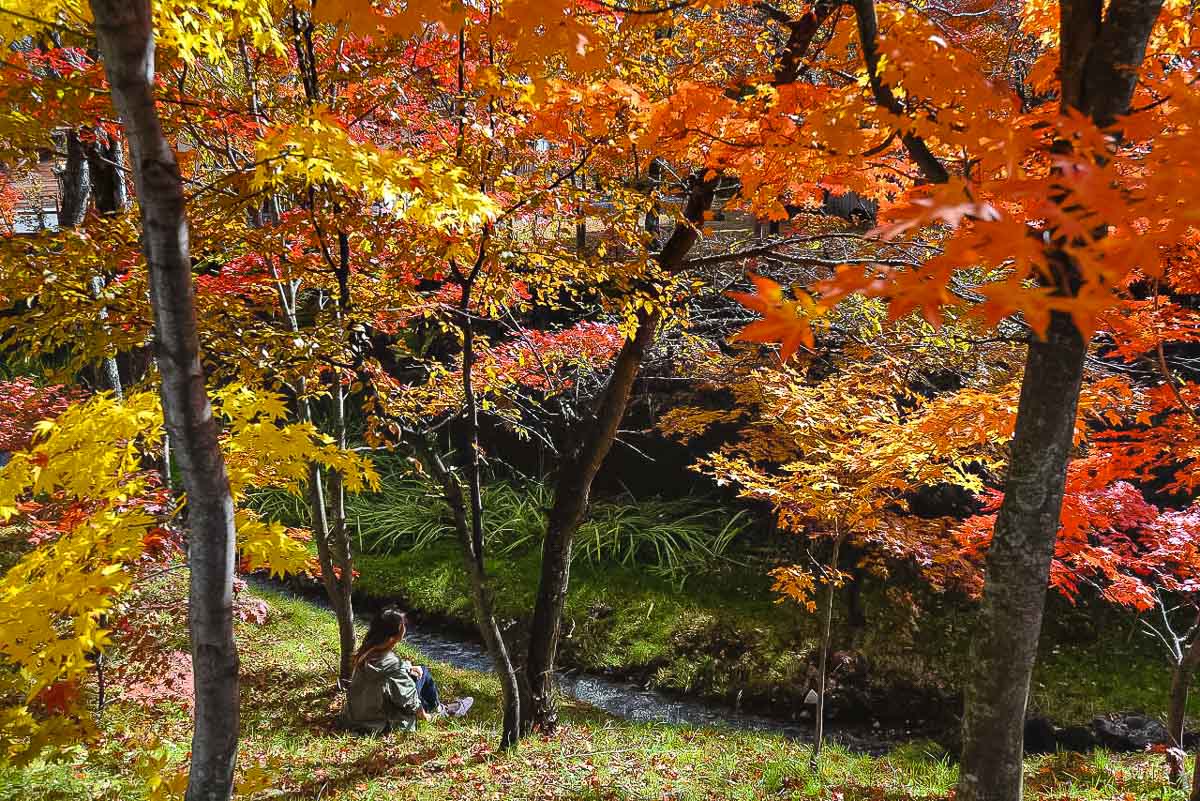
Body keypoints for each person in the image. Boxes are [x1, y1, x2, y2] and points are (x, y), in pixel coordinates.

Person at [341, 607, 473, 734]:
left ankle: (438, 707)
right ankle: (441, 711)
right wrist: (425, 716)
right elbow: (410, 699)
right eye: (403, 626)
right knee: (424, 671)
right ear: (392, 638)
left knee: (417, 671)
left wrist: (408, 667)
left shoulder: (365, 652)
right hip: (382, 725)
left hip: (356, 718)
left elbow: (387, 670)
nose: (405, 629)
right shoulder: (392, 665)